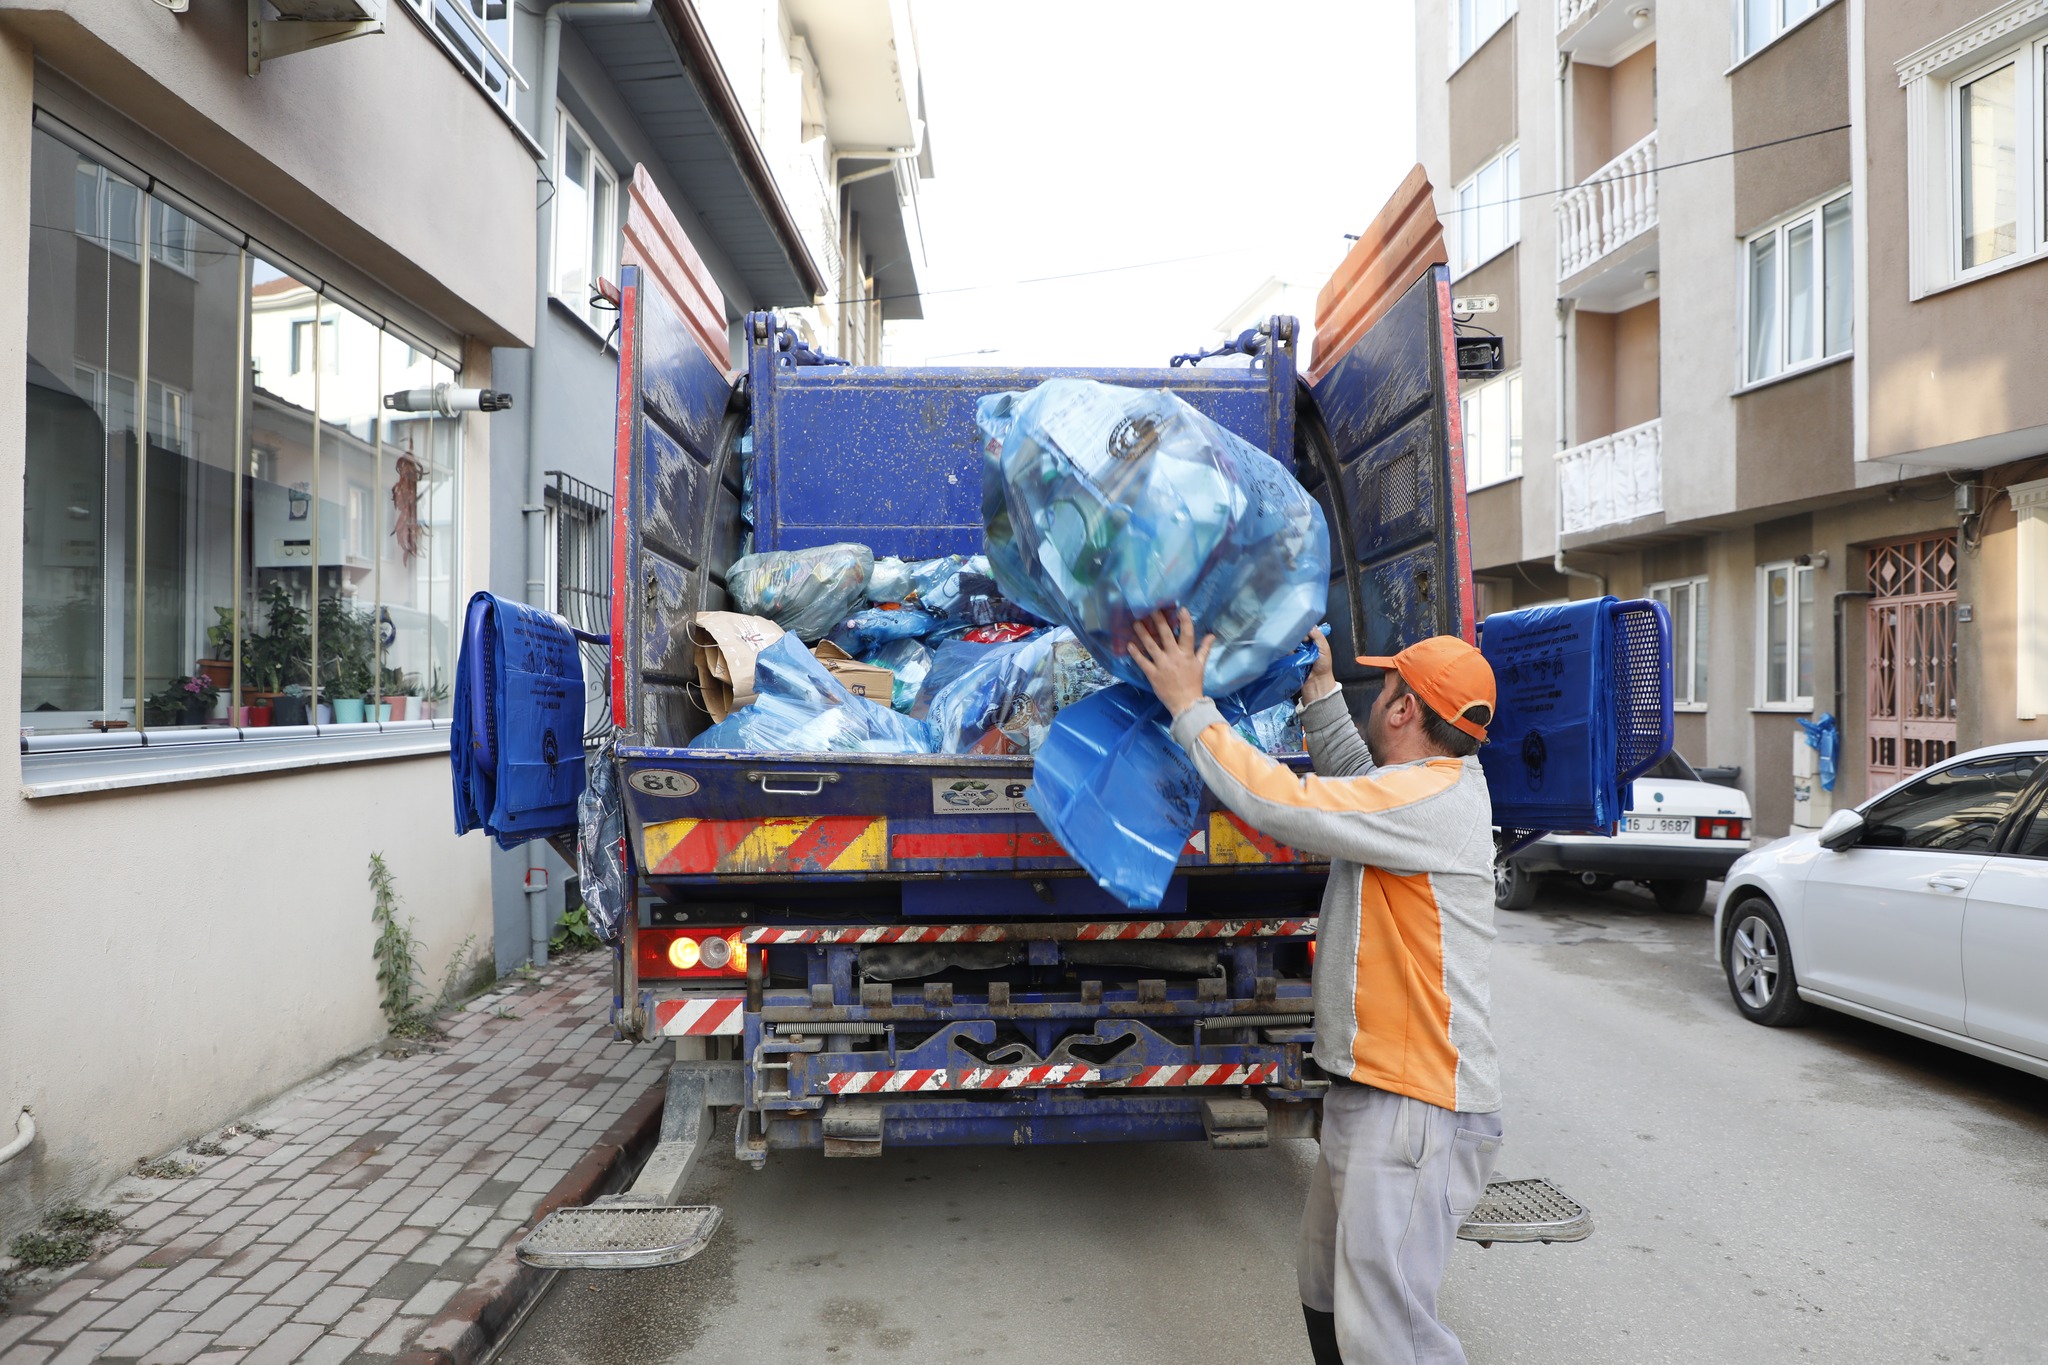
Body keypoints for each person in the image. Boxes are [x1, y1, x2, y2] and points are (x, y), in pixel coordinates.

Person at [1128, 608, 1504, 1365]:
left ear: (1402, 709)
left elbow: (1286, 803)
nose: (1376, 688)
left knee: (1391, 1336)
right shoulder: (1425, 788)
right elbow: (1362, 789)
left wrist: (1188, 706)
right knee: (1327, 1292)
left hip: (1412, 1107)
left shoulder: (1427, 803)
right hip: (1377, 1091)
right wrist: (1323, 692)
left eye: (1384, 681)